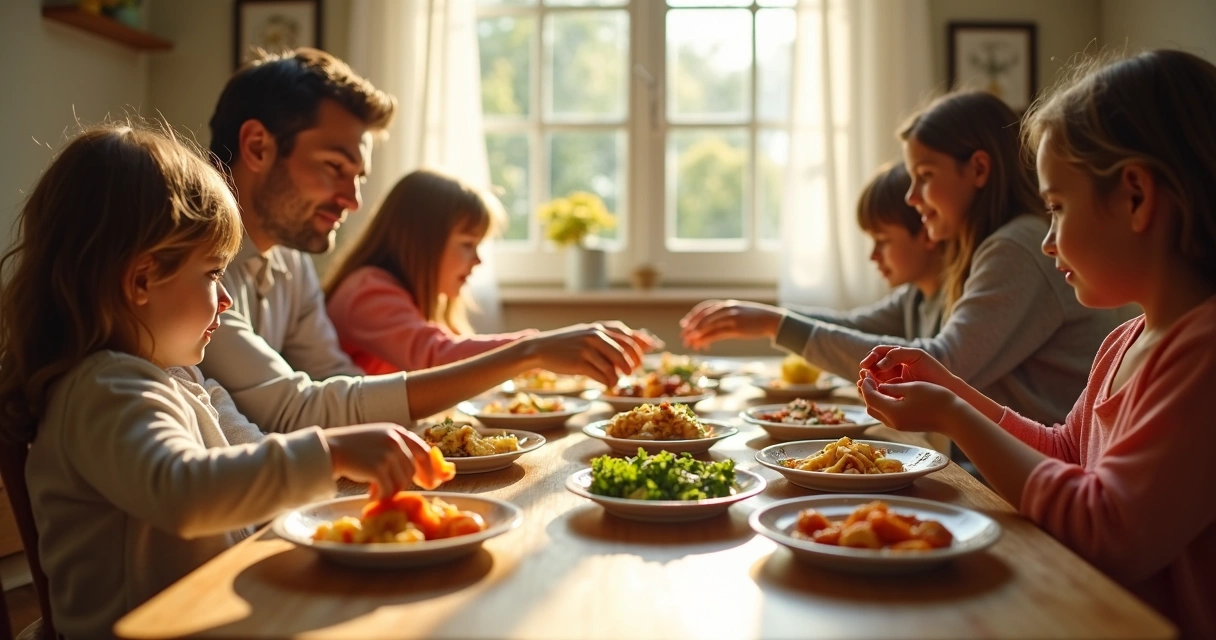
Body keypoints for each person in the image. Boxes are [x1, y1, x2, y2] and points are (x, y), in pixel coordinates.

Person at [0, 124, 449, 638]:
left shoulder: (182, 379)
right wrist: (333, 452)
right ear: (142, 279)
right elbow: (185, 492)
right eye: (214, 273)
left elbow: (255, 471)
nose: (228, 298)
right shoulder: (103, 389)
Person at [858, 50, 1216, 638]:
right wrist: (954, 389)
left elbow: (1109, 533)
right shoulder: (1127, 339)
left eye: (1057, 208)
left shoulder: (1203, 354)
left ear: (1135, 197)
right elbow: (1065, 451)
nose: (1047, 243)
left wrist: (952, 412)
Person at [202, 48, 651, 432]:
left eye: (358, 177)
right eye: (334, 167)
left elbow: (335, 378)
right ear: (258, 147)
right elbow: (294, 408)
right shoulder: (190, 265)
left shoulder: (290, 262)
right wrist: (530, 352)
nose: (353, 201)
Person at [681, 90, 1119, 426]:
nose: (913, 198)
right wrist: (770, 320)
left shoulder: (1017, 247)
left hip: (1039, 472)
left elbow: (941, 366)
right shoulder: (976, 257)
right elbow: (859, 326)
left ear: (979, 170)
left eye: (925, 177)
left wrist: (773, 324)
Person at [324, 168, 540, 374]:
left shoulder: (406, 299)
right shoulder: (367, 292)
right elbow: (438, 358)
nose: (478, 260)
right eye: (467, 244)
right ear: (423, 242)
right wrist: (535, 348)